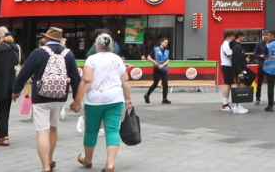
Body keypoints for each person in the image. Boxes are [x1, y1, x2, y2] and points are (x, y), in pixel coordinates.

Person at [12, 27, 81, 172]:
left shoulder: (39, 52)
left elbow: (25, 73)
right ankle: (50, 159)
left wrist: (16, 90)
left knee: (42, 131)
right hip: (60, 96)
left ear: (47, 39)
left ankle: (45, 167)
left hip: (41, 96)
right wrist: (76, 99)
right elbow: (75, 78)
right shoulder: (68, 54)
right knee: (53, 128)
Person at [69, 33, 133, 172]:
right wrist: (128, 99)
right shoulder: (117, 59)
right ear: (111, 46)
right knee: (112, 130)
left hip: (94, 100)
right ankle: (110, 164)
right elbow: (125, 81)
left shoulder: (91, 59)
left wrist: (77, 101)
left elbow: (86, 81)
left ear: (97, 45)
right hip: (116, 99)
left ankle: (88, 160)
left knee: (91, 131)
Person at [0, 27, 21, 147]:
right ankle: (2, 131)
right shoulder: (17, 48)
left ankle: (4, 137)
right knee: (6, 110)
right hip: (12, 83)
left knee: (1, 111)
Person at [142, 38, 170, 104]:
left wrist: (162, 65)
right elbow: (149, 57)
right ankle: (147, 95)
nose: (166, 44)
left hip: (164, 68)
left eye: (167, 43)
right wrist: (155, 63)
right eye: (165, 42)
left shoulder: (167, 51)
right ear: (161, 42)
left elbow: (168, 60)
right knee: (155, 83)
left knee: (165, 83)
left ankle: (164, 99)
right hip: (157, 68)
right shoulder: (155, 49)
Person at [219, 30, 237, 112]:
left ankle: (225, 104)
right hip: (227, 66)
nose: (233, 38)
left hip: (224, 65)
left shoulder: (224, 44)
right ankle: (225, 105)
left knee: (227, 85)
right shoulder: (226, 45)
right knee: (228, 85)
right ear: (228, 36)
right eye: (232, 36)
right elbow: (231, 57)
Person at [253, 31, 269, 106]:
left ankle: (270, 99)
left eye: (267, 35)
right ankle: (257, 98)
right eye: (264, 35)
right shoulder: (259, 44)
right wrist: (261, 56)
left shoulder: (271, 44)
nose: (265, 36)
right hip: (261, 65)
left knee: (270, 83)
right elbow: (255, 54)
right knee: (259, 82)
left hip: (270, 65)